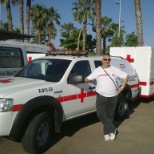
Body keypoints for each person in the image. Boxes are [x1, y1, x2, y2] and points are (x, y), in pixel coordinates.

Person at [85, 54, 128, 141]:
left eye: (109, 60)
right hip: (101, 95)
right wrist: (81, 78)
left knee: (110, 115)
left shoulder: (114, 69)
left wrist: (122, 87)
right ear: (102, 60)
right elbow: (88, 78)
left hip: (113, 96)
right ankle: (113, 129)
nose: (107, 61)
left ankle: (108, 133)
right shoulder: (97, 70)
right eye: (105, 59)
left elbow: (126, 76)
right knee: (100, 114)